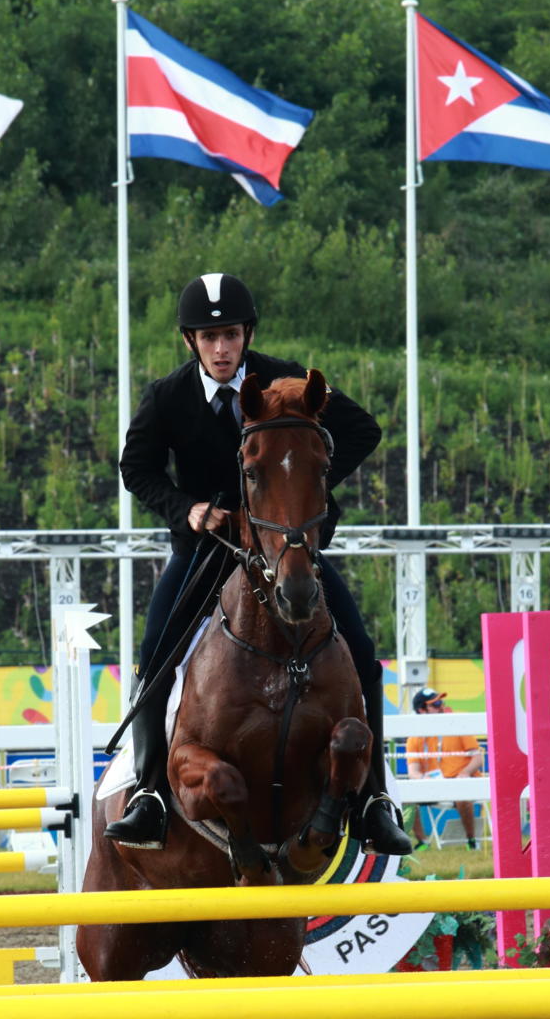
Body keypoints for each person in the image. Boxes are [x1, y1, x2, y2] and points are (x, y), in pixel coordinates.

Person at [104, 271, 411, 856]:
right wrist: (187, 508)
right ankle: (149, 793)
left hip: (284, 549)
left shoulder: (284, 380)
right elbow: (135, 468)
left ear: (247, 334)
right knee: (154, 651)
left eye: (231, 336)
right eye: (209, 337)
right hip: (209, 550)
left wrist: (304, 481)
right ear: (191, 341)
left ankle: (374, 799)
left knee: (363, 650)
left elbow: (362, 429)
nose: (221, 348)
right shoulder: (167, 397)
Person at [406, 687, 484, 850]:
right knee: (406, 797)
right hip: (433, 785)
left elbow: (478, 759)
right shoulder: (414, 738)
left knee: (462, 795)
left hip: (461, 782)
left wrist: (464, 773)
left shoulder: (457, 726)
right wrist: (423, 779)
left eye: (441, 702)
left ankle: (471, 841)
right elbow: (413, 772)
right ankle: (423, 842)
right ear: (421, 710)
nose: (442, 706)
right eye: (436, 704)